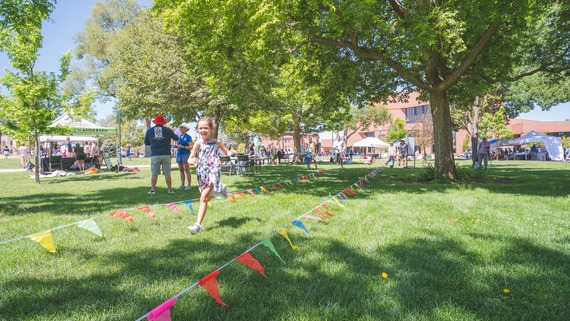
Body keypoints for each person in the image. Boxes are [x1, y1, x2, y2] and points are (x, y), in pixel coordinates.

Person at [187, 117, 231, 233]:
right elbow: (190, 158)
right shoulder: (198, 143)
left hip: (213, 171)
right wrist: (191, 161)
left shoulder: (217, 142)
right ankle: (221, 188)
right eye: (200, 128)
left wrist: (231, 153)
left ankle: (197, 225)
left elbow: (227, 152)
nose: (203, 130)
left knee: (203, 198)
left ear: (211, 129)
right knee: (205, 197)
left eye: (205, 128)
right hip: (201, 172)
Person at [144, 114, 179, 194]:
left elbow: (146, 142)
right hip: (166, 153)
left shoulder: (149, 131)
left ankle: (153, 190)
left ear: (155, 122)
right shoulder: (168, 130)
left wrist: (154, 142)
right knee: (167, 173)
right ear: (163, 122)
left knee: (154, 173)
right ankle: (169, 189)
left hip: (155, 154)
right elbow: (176, 138)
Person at [176, 123, 193, 190]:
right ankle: (182, 184)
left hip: (186, 154)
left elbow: (191, 146)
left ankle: (189, 185)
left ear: (185, 129)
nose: (181, 129)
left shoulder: (188, 137)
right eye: (180, 127)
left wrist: (183, 147)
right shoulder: (179, 137)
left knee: (186, 169)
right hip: (179, 154)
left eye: (182, 127)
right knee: (181, 170)